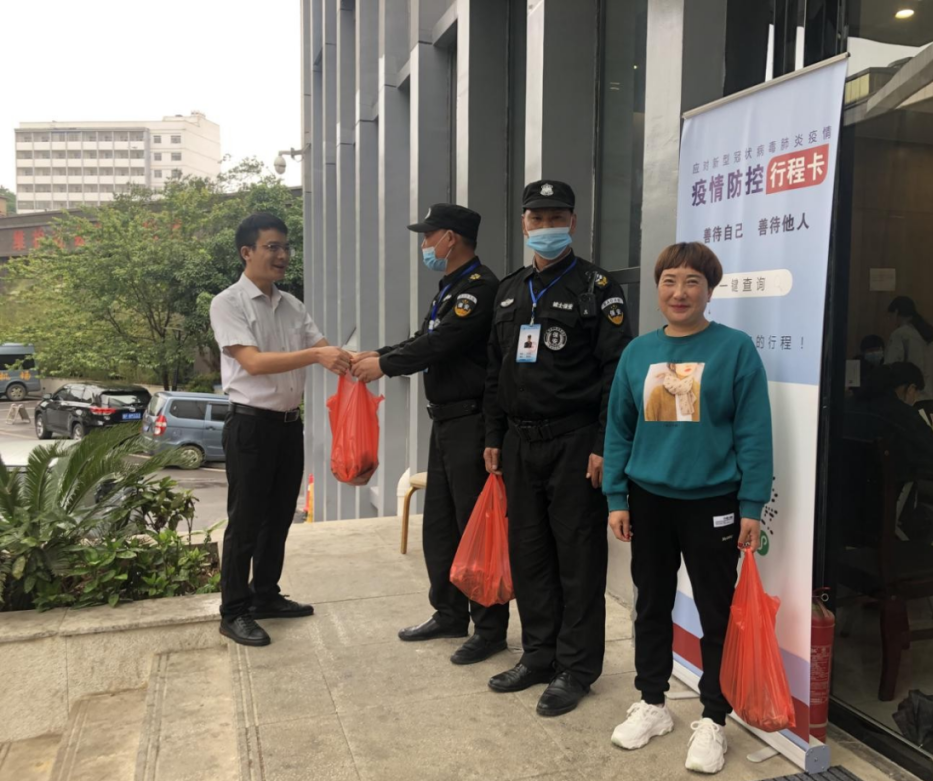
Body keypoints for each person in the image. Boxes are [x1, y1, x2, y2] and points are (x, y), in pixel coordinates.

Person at [603, 242, 771, 775]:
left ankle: (714, 719)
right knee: (651, 603)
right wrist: (616, 496)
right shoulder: (638, 353)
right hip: (649, 500)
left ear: (710, 290)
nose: (680, 292)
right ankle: (652, 703)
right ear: (657, 288)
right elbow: (619, 430)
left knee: (716, 612)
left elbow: (753, 432)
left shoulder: (735, 349)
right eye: (670, 281)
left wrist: (751, 504)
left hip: (712, 502)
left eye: (693, 281)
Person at [483, 179, 632, 716]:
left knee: (578, 559)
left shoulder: (598, 287)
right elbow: (495, 370)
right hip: (520, 443)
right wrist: (493, 436)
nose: (546, 227)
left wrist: (603, 444)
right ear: (524, 223)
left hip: (575, 443)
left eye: (556, 218)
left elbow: (616, 373)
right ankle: (538, 655)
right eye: (537, 218)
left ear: (573, 221)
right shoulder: (509, 290)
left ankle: (576, 668)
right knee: (530, 556)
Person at [351, 204, 510, 663]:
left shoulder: (479, 289)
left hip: (471, 423)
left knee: (473, 526)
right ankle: (448, 612)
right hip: (445, 422)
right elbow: (423, 337)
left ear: (450, 239)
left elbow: (441, 343)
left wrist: (384, 365)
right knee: (441, 524)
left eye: (428, 236)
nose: (424, 245)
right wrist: (378, 353)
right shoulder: (450, 287)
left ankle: (489, 628)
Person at [209, 213, 352, 646]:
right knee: (245, 522)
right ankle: (233, 611)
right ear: (246, 252)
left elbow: (324, 348)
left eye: (286, 247)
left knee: (278, 518)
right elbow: (252, 362)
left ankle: (265, 595)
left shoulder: (291, 305)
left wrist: (366, 359)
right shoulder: (228, 303)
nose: (283, 255)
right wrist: (317, 357)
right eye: (272, 247)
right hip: (251, 426)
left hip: (289, 426)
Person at [848, 362, 933, 544]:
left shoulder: (848, 406)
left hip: (842, 510)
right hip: (882, 511)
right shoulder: (903, 416)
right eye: (917, 393)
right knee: (931, 522)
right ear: (910, 389)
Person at [885, 296, 933, 401]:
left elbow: (890, 366)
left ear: (896, 312)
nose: (890, 321)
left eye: (890, 316)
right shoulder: (929, 334)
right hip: (932, 396)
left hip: (910, 396)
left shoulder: (900, 334)